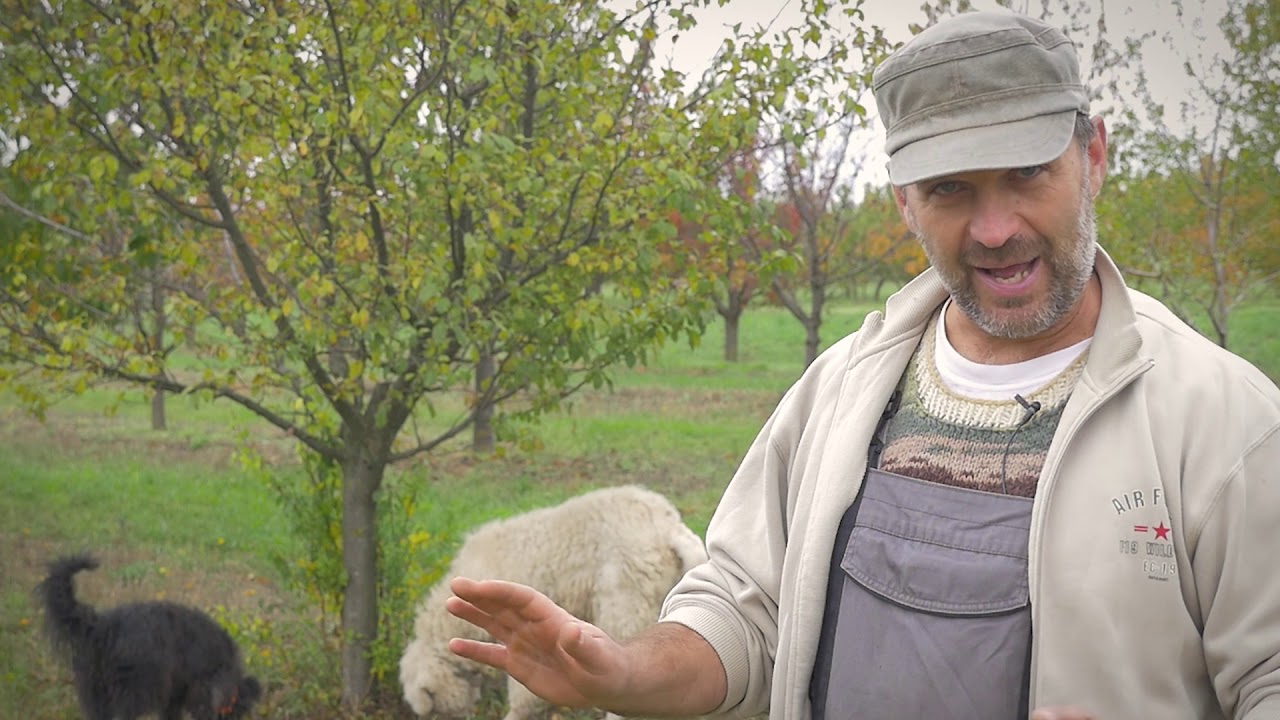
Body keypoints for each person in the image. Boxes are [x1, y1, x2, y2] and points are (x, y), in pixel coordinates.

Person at [444, 11, 1280, 720]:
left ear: (1093, 156)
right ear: (904, 201)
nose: (995, 229)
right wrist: (625, 671)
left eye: (1028, 174)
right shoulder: (841, 390)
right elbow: (744, 607)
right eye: (951, 189)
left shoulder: (1224, 421)